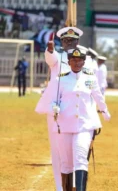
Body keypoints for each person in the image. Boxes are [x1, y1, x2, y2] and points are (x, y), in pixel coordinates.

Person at [35, 26, 94, 191]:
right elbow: (50, 58)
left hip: (80, 113)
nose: (69, 43)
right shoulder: (58, 57)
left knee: (80, 152)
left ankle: (77, 186)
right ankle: (61, 188)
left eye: (72, 40)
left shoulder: (86, 61)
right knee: (59, 154)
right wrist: (49, 49)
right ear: (62, 41)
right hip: (58, 112)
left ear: (78, 41)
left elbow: (90, 88)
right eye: (66, 40)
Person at [50, 48, 111, 191]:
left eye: (79, 60)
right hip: (64, 125)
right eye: (74, 60)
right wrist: (55, 107)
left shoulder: (90, 78)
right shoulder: (61, 79)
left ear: (84, 62)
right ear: (69, 62)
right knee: (66, 163)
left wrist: (104, 111)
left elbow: (98, 96)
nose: (77, 63)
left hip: (84, 125)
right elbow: (54, 100)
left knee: (81, 159)